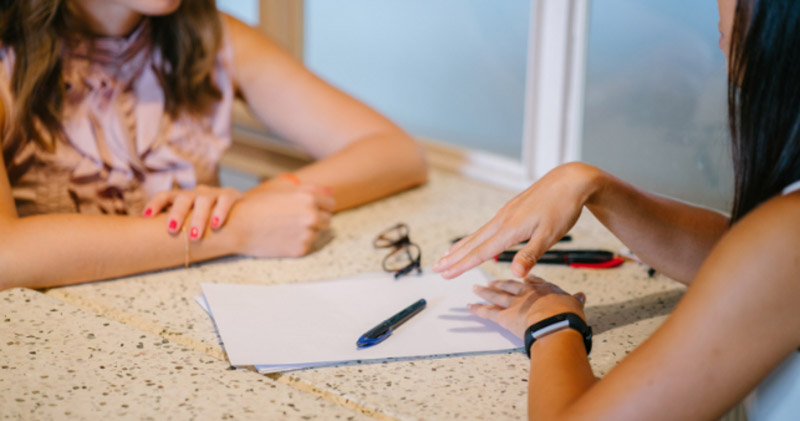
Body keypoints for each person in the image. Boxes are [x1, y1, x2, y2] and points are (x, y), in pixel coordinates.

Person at [433, 0, 799, 419]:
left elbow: (766, 261)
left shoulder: (787, 237)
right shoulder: (779, 239)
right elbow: (743, 259)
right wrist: (592, 185)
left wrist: (553, 324)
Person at [0, 0, 427, 291]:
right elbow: (7, 255)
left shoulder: (215, 35)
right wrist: (233, 229)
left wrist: (247, 204)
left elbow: (395, 152)